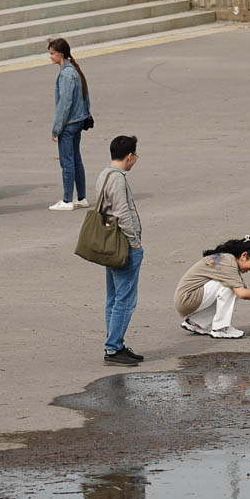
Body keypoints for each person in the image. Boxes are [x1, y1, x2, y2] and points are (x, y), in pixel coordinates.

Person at [174, 236, 250, 339]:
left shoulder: (228, 260)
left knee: (234, 288)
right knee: (230, 287)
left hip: (187, 299)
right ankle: (221, 329)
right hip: (188, 299)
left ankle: (195, 323)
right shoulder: (228, 263)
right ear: (244, 255)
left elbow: (244, 294)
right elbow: (241, 293)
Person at [96, 135, 143, 365]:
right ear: (129, 156)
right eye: (135, 156)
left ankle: (116, 343)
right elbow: (123, 214)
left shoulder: (104, 175)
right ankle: (113, 348)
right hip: (123, 246)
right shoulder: (118, 179)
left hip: (110, 244)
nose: (135, 160)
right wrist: (135, 242)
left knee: (113, 298)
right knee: (125, 299)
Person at [47, 37, 92, 211]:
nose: (50, 57)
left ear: (61, 54)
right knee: (76, 159)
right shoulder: (74, 71)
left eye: (52, 53)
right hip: (78, 120)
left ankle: (67, 200)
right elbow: (85, 97)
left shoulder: (66, 74)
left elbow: (64, 104)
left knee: (67, 161)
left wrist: (56, 128)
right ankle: (81, 197)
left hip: (69, 123)